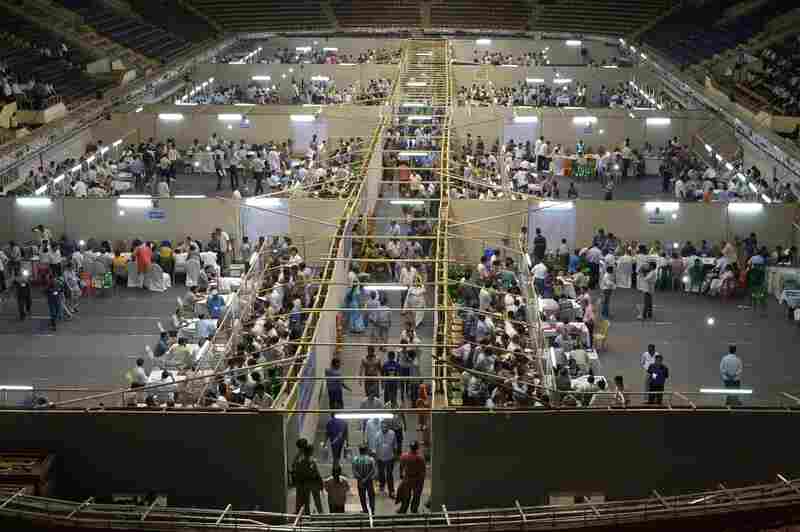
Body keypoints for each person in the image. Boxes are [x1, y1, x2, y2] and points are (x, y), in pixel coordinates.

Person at [294, 443, 324, 515]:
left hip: (305, 483)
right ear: (310, 451)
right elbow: (316, 473)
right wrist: (321, 482)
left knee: (306, 501)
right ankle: (320, 514)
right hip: (313, 482)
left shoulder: (300, 462)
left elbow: (298, 472)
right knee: (317, 500)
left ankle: (308, 515)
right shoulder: (312, 461)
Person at [398, 441, 426, 514]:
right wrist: (422, 481)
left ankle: (403, 509)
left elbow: (401, 467)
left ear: (410, 447)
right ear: (417, 448)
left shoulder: (404, 456)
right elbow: (423, 470)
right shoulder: (420, 458)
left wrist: (401, 475)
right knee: (416, 496)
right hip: (417, 479)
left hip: (407, 478)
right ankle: (414, 509)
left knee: (406, 495)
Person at [352, 445, 377, 514]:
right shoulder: (371, 459)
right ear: (366, 450)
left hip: (360, 481)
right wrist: (366, 478)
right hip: (369, 480)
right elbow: (373, 470)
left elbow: (354, 471)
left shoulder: (355, 459)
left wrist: (361, 478)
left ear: (359, 451)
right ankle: (372, 509)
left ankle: (365, 509)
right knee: (371, 495)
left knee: (362, 495)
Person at [375, 421, 397, 497]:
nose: (384, 428)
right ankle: (382, 487)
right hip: (380, 458)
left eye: (385, 427)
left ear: (388, 427)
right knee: (381, 474)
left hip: (390, 457)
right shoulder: (377, 434)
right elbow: (376, 447)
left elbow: (395, 445)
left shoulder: (392, 433)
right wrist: (376, 458)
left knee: (389, 474)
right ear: (381, 427)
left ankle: (391, 490)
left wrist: (395, 456)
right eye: (382, 427)